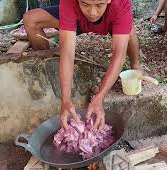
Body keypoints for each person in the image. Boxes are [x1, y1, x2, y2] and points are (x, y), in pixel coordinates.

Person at [23, 0, 141, 130]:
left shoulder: (121, 3)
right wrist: (65, 100)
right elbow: (67, 53)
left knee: (129, 33)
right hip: (77, 19)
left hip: (110, 21)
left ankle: (135, 65)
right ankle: (45, 63)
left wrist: (100, 97)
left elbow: (118, 55)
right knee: (30, 18)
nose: (92, 13)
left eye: (99, 5)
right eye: (85, 4)